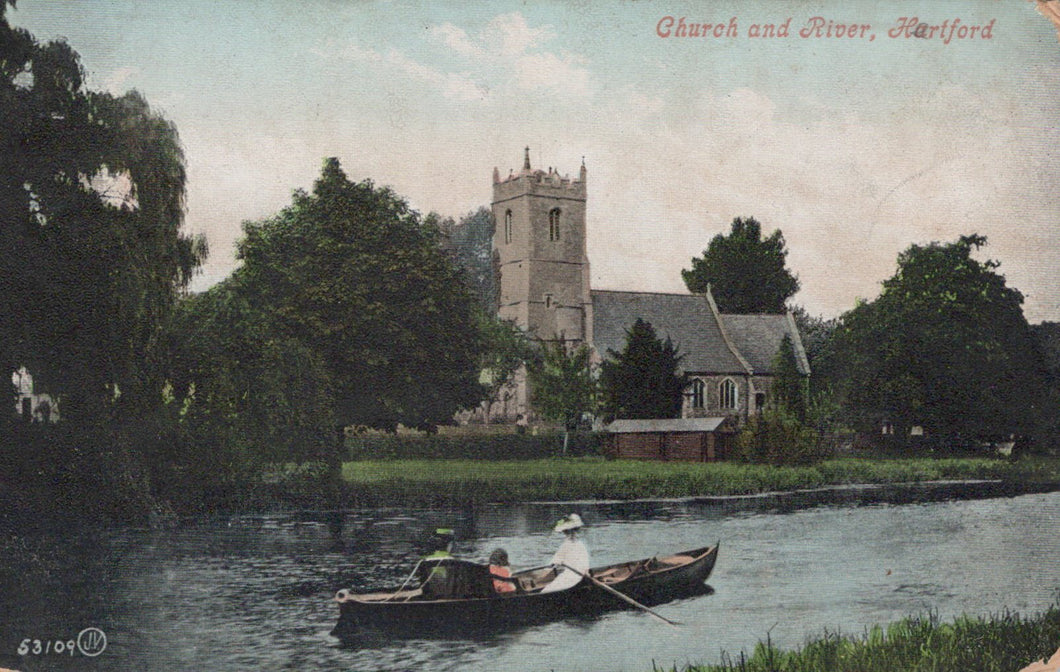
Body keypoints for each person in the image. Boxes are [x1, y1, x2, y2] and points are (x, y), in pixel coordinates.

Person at [541, 513, 589, 593]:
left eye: (564, 531)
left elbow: (551, 565)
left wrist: (539, 577)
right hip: (581, 576)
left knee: (544, 592)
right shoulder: (580, 544)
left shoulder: (566, 545)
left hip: (571, 578)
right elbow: (585, 566)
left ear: (565, 532)